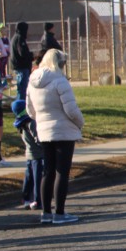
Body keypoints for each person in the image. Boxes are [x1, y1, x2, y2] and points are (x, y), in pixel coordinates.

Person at [27, 49, 84, 224]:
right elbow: (71, 110)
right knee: (62, 172)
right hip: (63, 130)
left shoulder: (32, 81)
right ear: (59, 63)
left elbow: (30, 110)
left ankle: (46, 212)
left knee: (48, 171)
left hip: (44, 130)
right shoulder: (60, 81)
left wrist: (41, 120)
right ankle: (59, 212)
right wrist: (80, 122)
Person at [11, 99, 42, 210]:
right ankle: (37, 200)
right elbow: (38, 139)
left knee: (29, 177)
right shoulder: (31, 123)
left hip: (29, 154)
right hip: (38, 154)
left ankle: (26, 198)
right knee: (38, 178)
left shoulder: (21, 123)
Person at [10, 20, 33, 100]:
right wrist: (31, 56)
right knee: (22, 88)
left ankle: (21, 102)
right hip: (21, 66)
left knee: (21, 87)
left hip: (19, 66)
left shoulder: (16, 37)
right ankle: (21, 103)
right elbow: (22, 53)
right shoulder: (19, 38)